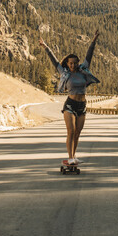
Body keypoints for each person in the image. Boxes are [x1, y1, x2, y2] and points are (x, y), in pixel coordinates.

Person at [39, 30, 100, 165]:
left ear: (78, 63)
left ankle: (74, 156)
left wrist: (93, 40)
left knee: (77, 133)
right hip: (70, 104)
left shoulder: (84, 71)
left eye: (75, 63)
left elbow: (89, 55)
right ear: (67, 64)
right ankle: (70, 156)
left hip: (82, 105)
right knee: (71, 131)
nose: (72, 65)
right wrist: (46, 47)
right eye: (70, 63)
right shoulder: (64, 72)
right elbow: (54, 61)